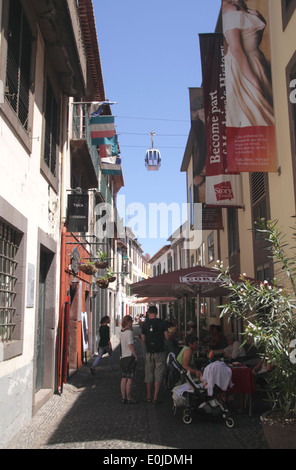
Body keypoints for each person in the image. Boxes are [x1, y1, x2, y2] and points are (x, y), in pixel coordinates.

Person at [222, 0, 274, 127]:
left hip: (257, 62)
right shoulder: (230, 9)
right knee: (255, 114)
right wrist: (252, 81)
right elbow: (236, 50)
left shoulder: (244, 8)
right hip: (242, 67)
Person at [141, 306, 169, 405]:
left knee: (149, 374)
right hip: (160, 351)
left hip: (149, 352)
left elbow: (143, 339)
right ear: (156, 313)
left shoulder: (145, 324)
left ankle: (148, 396)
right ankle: (155, 397)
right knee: (159, 374)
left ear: (149, 313)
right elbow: (166, 337)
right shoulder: (162, 323)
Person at [120, 315, 138, 404]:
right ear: (129, 322)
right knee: (129, 379)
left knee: (123, 378)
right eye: (131, 321)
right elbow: (130, 345)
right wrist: (135, 355)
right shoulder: (129, 333)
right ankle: (129, 397)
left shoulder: (122, 332)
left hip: (123, 357)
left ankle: (123, 398)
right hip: (129, 357)